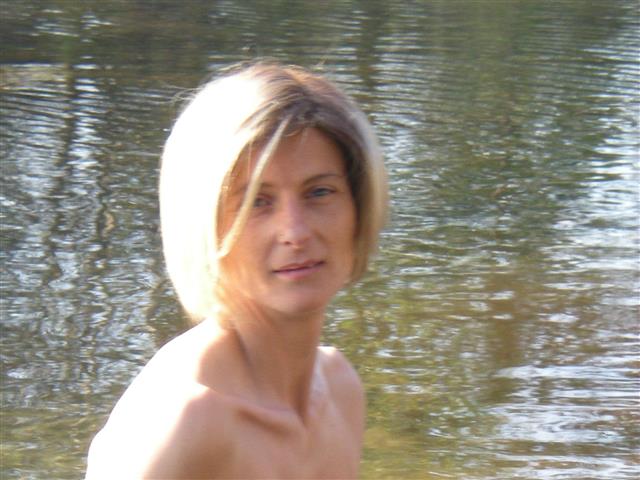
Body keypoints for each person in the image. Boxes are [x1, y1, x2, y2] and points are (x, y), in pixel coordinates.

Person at [85, 61, 388, 479]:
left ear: (359, 208)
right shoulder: (180, 422)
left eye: (320, 192)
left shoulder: (340, 390)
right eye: (257, 202)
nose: (296, 232)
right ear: (203, 223)